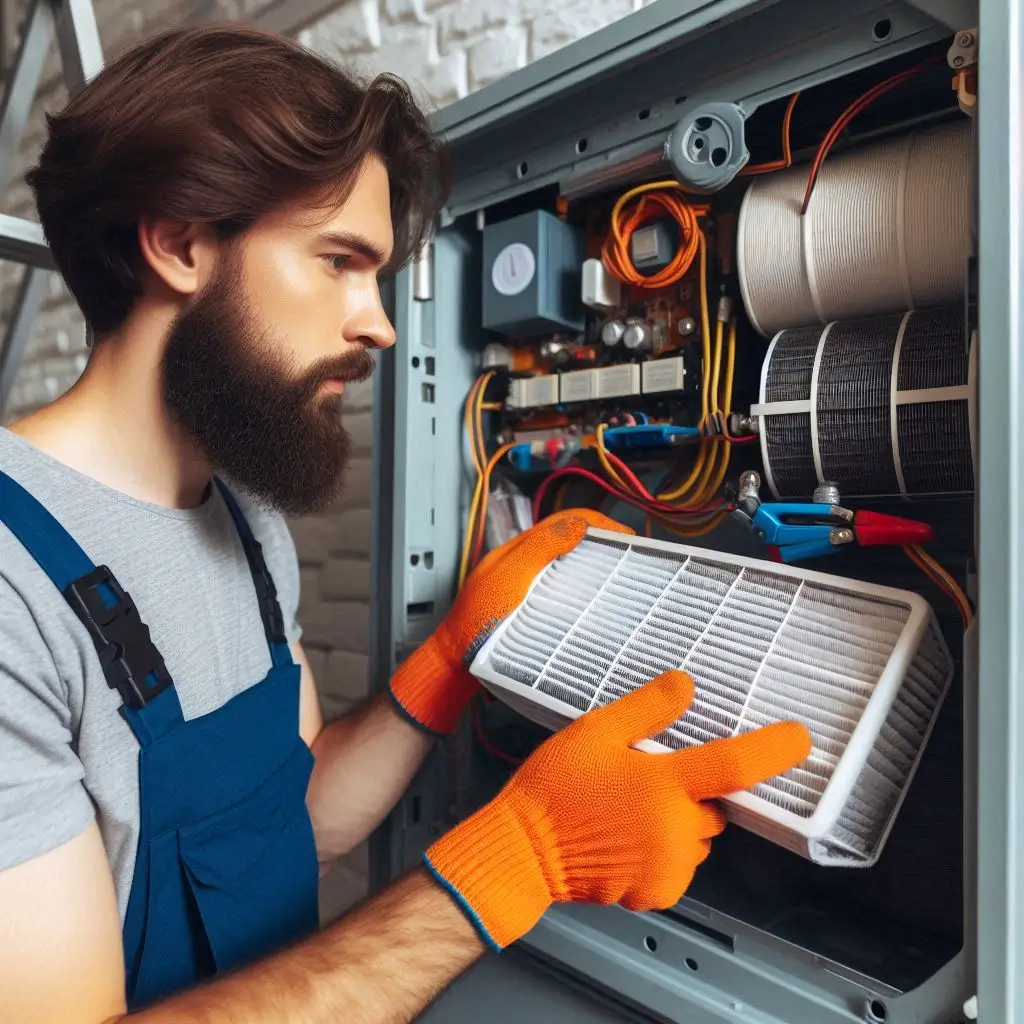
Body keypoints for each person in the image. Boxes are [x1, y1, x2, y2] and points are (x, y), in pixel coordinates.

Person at [0, 22, 813, 1024]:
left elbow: (282, 830)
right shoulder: (11, 585)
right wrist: (516, 858)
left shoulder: (243, 520)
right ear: (178, 243)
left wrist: (451, 657)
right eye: (338, 260)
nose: (379, 321)